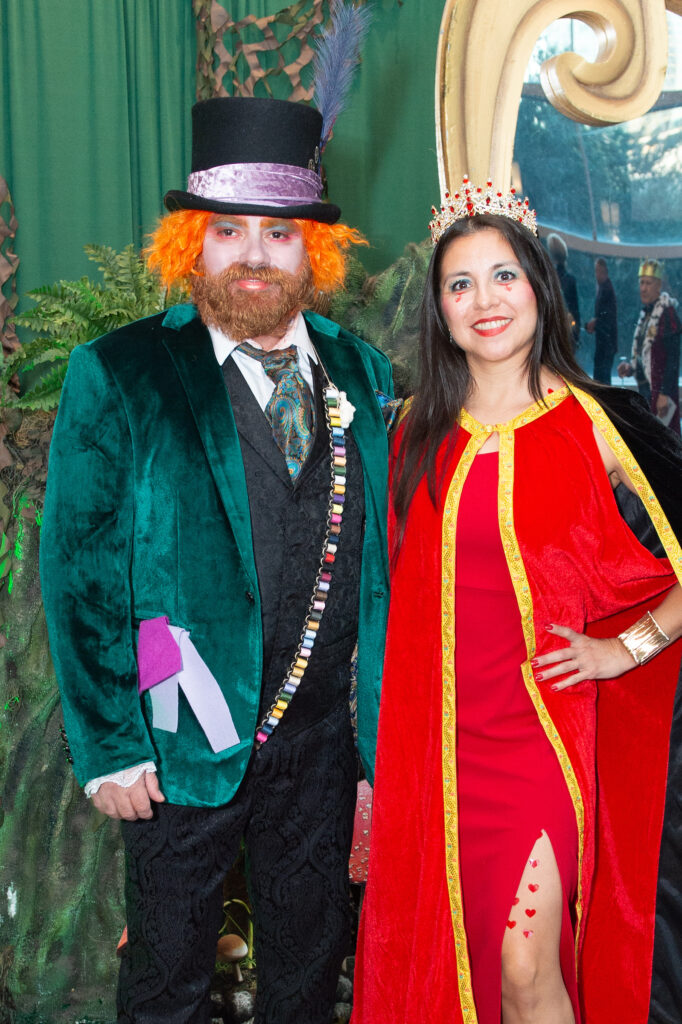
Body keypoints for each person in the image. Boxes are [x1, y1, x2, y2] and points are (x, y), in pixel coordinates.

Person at [40, 94, 393, 1024]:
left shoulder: (362, 372)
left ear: (311, 252)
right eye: (228, 230)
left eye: (279, 235)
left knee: (309, 984)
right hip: (176, 743)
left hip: (320, 749)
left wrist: (374, 747)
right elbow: (78, 570)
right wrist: (110, 747)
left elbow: (383, 572)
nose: (253, 255)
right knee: (166, 985)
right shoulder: (118, 373)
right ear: (190, 245)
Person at [351, 180, 682, 1024]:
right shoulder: (411, 430)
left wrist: (625, 648)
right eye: (460, 284)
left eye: (504, 276)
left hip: (542, 746)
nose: (484, 301)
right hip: (437, 755)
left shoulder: (599, 422)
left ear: (538, 284)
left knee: (524, 964)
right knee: (457, 971)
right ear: (441, 309)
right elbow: (388, 602)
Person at [618, 258, 681, 435]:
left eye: (648, 283)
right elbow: (645, 355)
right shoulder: (646, 314)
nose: (643, 288)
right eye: (641, 283)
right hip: (646, 392)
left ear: (658, 285)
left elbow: (673, 359)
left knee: (666, 443)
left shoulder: (667, 314)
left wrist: (665, 393)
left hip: (661, 394)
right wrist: (631, 368)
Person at [585, 256, 618, 384]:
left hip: (606, 343)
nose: (596, 275)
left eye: (598, 271)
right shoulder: (603, 288)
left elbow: (607, 318)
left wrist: (595, 323)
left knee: (602, 378)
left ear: (604, 271)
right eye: (596, 271)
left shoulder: (606, 289)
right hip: (604, 342)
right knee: (602, 377)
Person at [547, 231, 580, 347]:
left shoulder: (548, 278)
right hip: (567, 333)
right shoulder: (570, 280)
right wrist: (576, 335)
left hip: (551, 333)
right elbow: (574, 309)